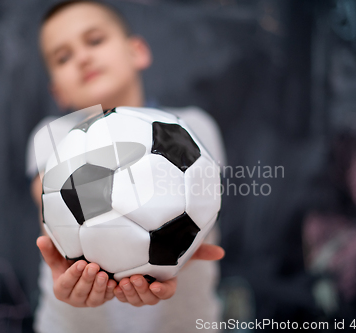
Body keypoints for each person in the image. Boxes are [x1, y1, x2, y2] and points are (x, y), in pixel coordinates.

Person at [26, 1, 227, 332]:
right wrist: (66, 260)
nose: (82, 57)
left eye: (95, 40)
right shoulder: (54, 135)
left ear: (137, 51)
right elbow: (48, 203)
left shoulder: (191, 127)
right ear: (57, 91)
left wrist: (176, 262)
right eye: (63, 57)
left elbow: (200, 211)